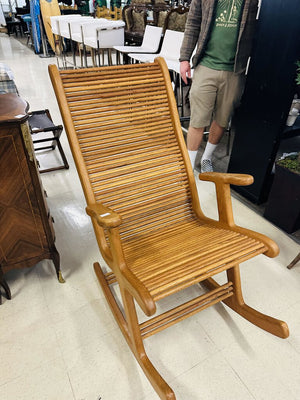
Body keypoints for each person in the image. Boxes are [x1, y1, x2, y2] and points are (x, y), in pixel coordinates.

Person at [180, 0, 258, 172]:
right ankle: (189, 165)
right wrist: (184, 58)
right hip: (206, 65)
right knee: (198, 119)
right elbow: (192, 23)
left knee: (222, 119)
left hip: (235, 70)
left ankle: (206, 158)